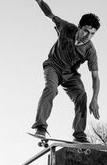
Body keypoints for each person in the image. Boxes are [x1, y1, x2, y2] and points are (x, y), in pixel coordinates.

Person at [31, 0, 101, 143]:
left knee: (81, 95)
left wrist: (95, 99)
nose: (88, 36)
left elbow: (95, 77)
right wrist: (39, 1)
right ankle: (41, 127)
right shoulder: (67, 27)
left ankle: (79, 135)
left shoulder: (90, 50)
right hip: (53, 66)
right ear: (79, 27)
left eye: (92, 34)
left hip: (70, 74)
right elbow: (49, 14)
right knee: (51, 88)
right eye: (86, 31)